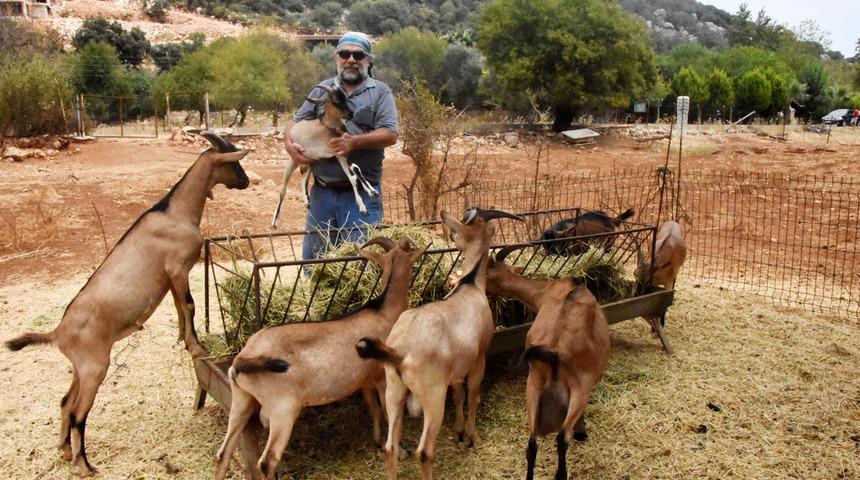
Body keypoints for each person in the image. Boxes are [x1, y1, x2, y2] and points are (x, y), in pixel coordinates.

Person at [284, 32, 399, 260]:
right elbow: (295, 121)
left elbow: (390, 134)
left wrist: (354, 142)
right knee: (316, 266)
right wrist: (289, 144)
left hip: (361, 198)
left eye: (358, 55)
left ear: (368, 60)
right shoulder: (322, 90)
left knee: (360, 268)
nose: (351, 60)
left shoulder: (380, 92)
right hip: (321, 195)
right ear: (337, 58)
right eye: (345, 54)